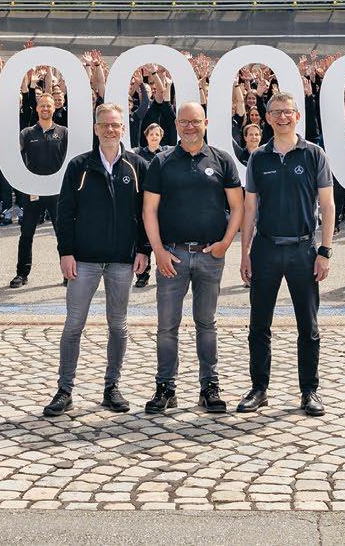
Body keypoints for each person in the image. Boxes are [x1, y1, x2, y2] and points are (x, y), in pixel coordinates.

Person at [42, 103, 150, 417]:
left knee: (118, 326)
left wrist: (144, 250)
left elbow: (146, 213)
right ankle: (65, 390)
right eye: (104, 125)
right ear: (95, 128)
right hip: (84, 260)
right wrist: (65, 252)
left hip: (121, 260)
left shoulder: (137, 166)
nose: (110, 130)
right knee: (73, 326)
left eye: (115, 125)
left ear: (122, 129)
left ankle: (111, 387)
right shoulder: (79, 166)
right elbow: (65, 212)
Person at [141, 101, 243, 415]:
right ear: (176, 124)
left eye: (195, 121)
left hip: (210, 256)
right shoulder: (161, 162)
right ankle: (165, 387)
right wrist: (158, 251)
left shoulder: (222, 160)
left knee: (206, 324)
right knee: (166, 326)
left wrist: (226, 243)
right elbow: (149, 210)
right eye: (184, 121)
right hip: (172, 256)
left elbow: (238, 206)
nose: (189, 127)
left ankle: (209, 387)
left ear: (205, 123)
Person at [239, 92, 334, 417]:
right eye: (276, 112)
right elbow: (249, 208)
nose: (282, 117)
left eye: (287, 112)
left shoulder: (314, 154)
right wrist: (245, 252)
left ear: (297, 116)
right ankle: (259, 389)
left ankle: (309, 391)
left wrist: (325, 251)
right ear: (267, 118)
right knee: (258, 324)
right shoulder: (258, 158)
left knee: (308, 326)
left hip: (303, 250)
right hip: (265, 249)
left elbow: (328, 205)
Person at [13, 93, 70, 288]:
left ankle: (68, 274)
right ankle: (21, 274)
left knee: (62, 234)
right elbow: (15, 156)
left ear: (54, 108)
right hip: (33, 190)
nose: (45, 108)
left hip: (57, 192)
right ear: (37, 108)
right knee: (26, 233)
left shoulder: (63, 132)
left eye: (48, 105)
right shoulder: (27, 133)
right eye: (42, 105)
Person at [131, 120, 170, 288]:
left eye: (157, 134)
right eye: (151, 134)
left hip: (163, 201)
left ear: (161, 137)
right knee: (143, 238)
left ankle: (164, 270)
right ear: (146, 136)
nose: (154, 137)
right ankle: (142, 274)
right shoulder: (137, 153)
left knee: (163, 238)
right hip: (143, 199)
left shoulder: (167, 153)